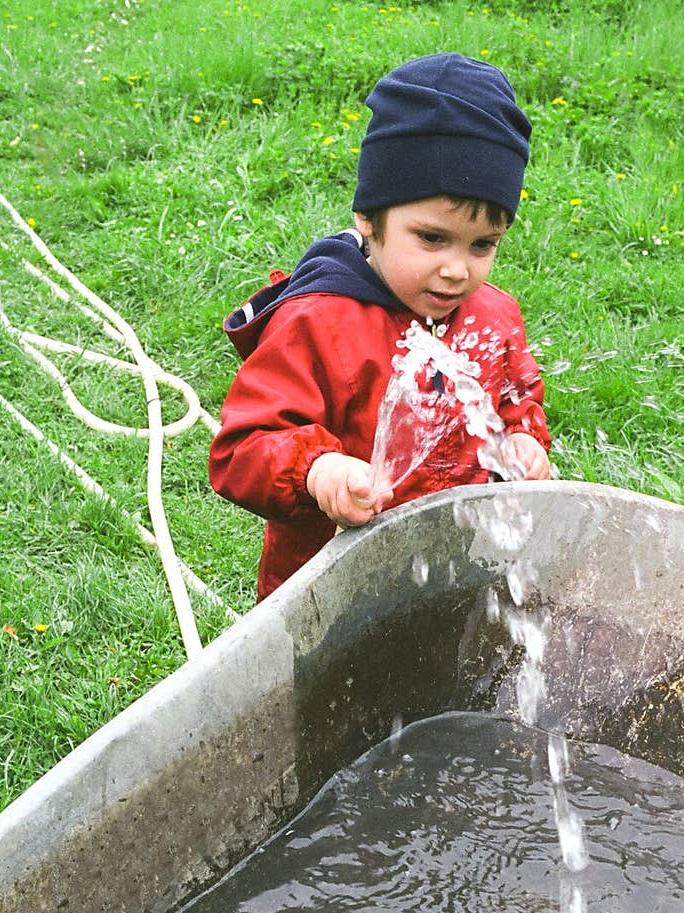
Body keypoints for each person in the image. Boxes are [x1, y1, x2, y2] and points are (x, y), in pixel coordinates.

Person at [209, 52, 552, 601]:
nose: (457, 268)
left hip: (463, 565)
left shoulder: (493, 317)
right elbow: (243, 447)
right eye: (432, 238)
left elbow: (516, 400)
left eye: (483, 245)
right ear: (368, 219)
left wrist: (524, 439)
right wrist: (317, 471)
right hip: (332, 592)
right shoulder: (319, 323)